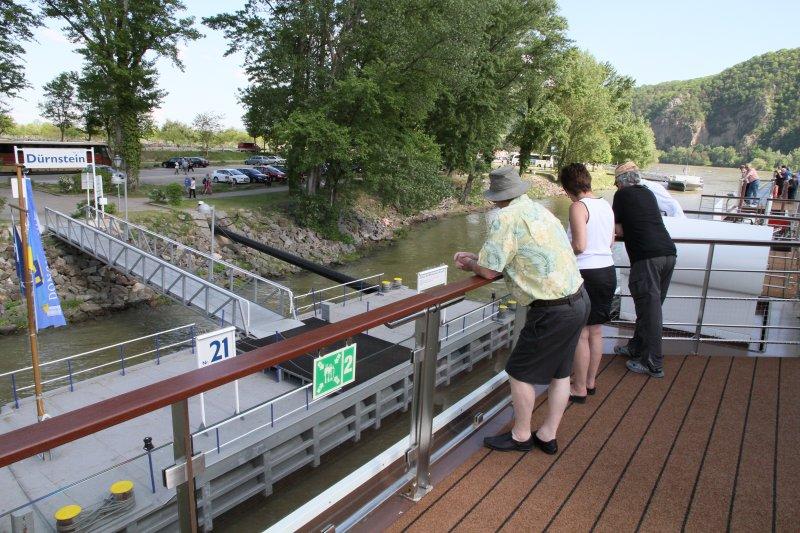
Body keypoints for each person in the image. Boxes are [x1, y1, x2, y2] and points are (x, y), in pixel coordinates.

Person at [454, 166, 588, 454]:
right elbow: (519, 252)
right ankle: (548, 434)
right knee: (561, 374)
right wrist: (480, 257)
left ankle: (521, 435)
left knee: (519, 372)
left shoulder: (504, 218)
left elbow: (489, 271)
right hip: (578, 299)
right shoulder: (538, 210)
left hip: (551, 310)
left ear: (495, 197)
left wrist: (470, 264)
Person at [611, 162, 677, 378]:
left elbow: (615, 227)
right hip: (668, 254)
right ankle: (636, 348)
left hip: (647, 257)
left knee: (650, 312)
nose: (617, 187)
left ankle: (652, 363)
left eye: (616, 183)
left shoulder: (622, 196)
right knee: (651, 308)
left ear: (621, 182)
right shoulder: (648, 193)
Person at [560, 164, 616, 403]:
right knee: (596, 330)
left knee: (581, 333)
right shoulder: (605, 205)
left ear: (567, 187)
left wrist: (560, 254)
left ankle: (579, 387)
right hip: (607, 271)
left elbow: (580, 245)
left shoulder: (578, 207)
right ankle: (590, 382)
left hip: (586, 274)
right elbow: (611, 242)